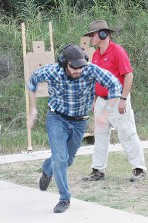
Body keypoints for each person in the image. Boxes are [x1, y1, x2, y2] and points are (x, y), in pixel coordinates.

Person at [27, 44, 122, 213]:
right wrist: (33, 109)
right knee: (61, 158)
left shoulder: (90, 70)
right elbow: (32, 79)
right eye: (74, 67)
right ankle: (64, 198)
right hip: (57, 118)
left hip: (79, 122)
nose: (78, 70)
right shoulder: (53, 71)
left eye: (81, 66)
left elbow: (115, 84)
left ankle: (47, 169)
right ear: (64, 63)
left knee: (67, 160)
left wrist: (105, 113)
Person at [82, 20, 147, 182]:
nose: (90, 37)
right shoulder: (96, 54)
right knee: (100, 135)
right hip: (101, 101)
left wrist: (123, 99)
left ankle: (139, 169)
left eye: (93, 34)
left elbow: (129, 75)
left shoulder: (117, 51)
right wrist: (94, 99)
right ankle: (97, 170)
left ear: (103, 34)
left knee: (127, 133)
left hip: (117, 98)